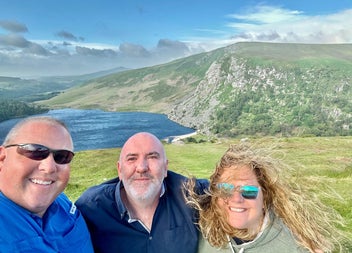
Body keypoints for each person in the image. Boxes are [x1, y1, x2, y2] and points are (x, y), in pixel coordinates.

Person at [184, 142, 348, 253]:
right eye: (225, 189)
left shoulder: (297, 246)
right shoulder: (200, 230)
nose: (236, 199)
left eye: (248, 190)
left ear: (265, 197)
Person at [76, 132, 208, 253]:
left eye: (152, 157)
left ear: (165, 167)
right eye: (132, 159)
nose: (141, 168)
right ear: (119, 170)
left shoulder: (191, 194)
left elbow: (224, 186)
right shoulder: (91, 208)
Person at [0, 116, 94, 252]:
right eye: (35, 152)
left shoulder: (63, 204)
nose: (49, 167)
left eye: (62, 156)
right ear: (2, 158)